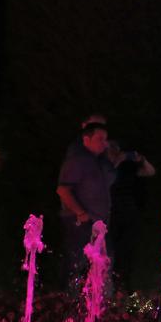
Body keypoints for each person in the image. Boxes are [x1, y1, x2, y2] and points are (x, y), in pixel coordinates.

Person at [57, 121, 117, 287]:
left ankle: (101, 298)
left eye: (105, 139)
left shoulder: (100, 162)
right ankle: (69, 297)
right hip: (82, 223)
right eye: (100, 139)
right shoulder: (77, 161)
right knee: (76, 263)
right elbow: (63, 189)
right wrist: (81, 213)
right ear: (86, 139)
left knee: (105, 261)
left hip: (99, 223)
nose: (104, 143)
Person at [106, 139, 156, 290]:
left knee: (127, 248)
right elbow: (107, 179)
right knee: (111, 248)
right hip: (110, 212)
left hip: (128, 211)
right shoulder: (103, 166)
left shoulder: (127, 167)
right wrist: (116, 161)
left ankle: (124, 283)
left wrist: (141, 159)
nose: (114, 153)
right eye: (110, 151)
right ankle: (110, 283)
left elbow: (150, 172)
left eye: (115, 150)